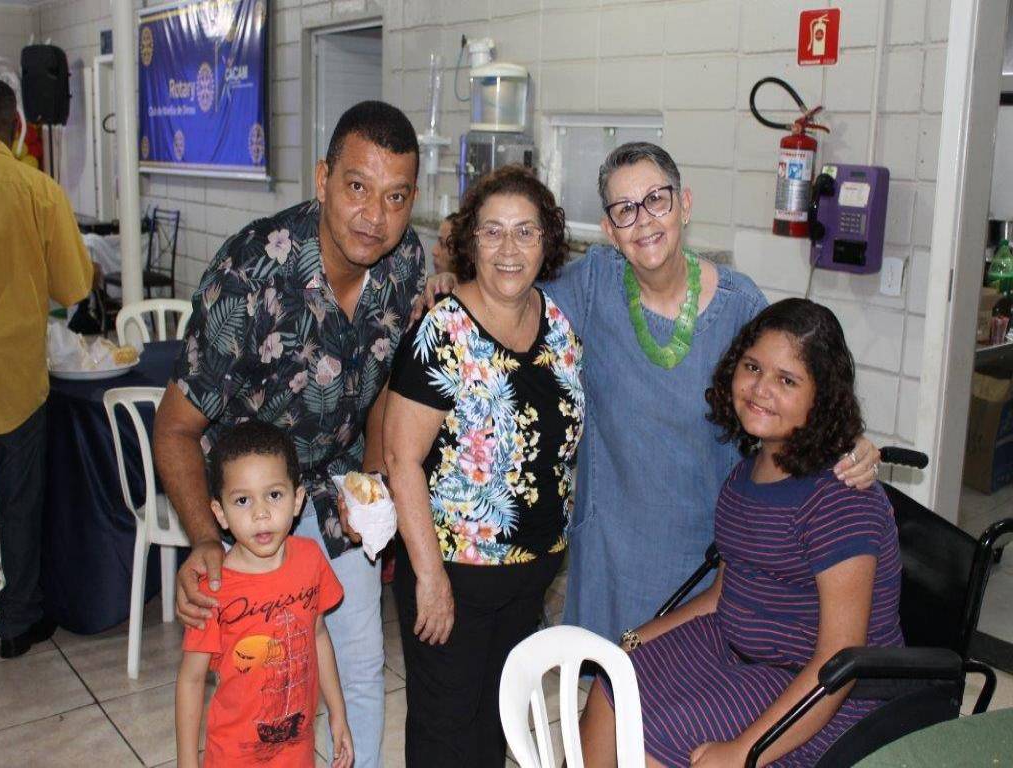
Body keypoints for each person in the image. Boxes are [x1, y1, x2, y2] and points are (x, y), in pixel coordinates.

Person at [421, 143, 881, 644]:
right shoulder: (592, 284)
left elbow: (797, 388)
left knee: (687, 681)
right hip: (609, 549)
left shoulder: (740, 305)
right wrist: (455, 287)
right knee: (604, 680)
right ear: (609, 230)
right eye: (624, 209)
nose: (643, 220)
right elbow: (509, 304)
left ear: (685, 204)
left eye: (656, 200)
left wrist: (849, 442)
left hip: (707, 552)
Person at [154, 100, 426, 767]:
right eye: (357, 187)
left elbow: (383, 381)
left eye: (395, 197)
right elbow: (176, 428)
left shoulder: (405, 266)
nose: (374, 216)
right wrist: (206, 540)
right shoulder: (250, 273)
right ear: (323, 179)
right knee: (261, 682)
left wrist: (369, 482)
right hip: (249, 502)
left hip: (335, 492)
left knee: (358, 667)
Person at [579, 298, 903, 768]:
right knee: (613, 684)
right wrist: (629, 642)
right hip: (738, 648)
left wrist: (743, 750)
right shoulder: (745, 477)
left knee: (656, 743)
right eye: (752, 367)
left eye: (787, 380)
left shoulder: (841, 501)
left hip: (825, 687)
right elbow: (723, 596)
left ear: (822, 398)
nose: (761, 389)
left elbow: (839, 660)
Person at [384, 165, 584, 767]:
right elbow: (400, 457)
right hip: (453, 576)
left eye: (525, 231)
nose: (508, 248)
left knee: (497, 728)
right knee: (447, 734)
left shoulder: (558, 323)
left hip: (529, 578)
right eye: (492, 231)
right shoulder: (443, 329)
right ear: (471, 242)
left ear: (547, 242)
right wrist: (430, 578)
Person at [175, 422, 354, 768]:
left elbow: (318, 635)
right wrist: (186, 761)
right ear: (220, 513)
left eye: (274, 495)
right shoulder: (213, 588)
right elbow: (191, 679)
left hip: (297, 753)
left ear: (297, 499)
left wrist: (337, 712)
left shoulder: (311, 560)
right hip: (233, 758)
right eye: (243, 500)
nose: (261, 513)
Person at [0, 77, 94, 658]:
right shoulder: (36, 190)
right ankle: (17, 622)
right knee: (20, 500)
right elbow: (74, 285)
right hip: (13, 376)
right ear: (16, 128)